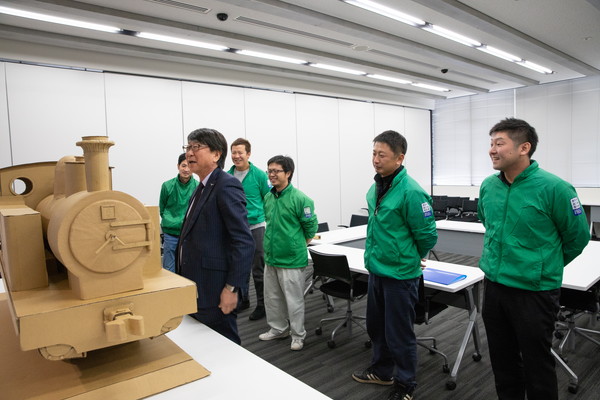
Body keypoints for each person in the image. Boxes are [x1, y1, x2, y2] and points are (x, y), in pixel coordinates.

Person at [478, 118, 589, 400]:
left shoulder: (556, 188)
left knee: (537, 365)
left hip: (534, 291)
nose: (492, 149)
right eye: (491, 143)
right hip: (494, 287)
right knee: (502, 362)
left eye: (499, 143)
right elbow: (488, 224)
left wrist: (542, 265)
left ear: (524, 147)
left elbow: (577, 238)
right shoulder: (488, 187)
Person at [352, 130, 437, 400]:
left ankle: (405, 384)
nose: (376, 160)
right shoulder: (376, 186)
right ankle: (382, 371)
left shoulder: (412, 192)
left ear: (399, 158)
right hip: (377, 268)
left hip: (400, 274)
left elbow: (427, 235)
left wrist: (413, 255)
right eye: (374, 153)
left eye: (382, 155)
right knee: (377, 327)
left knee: (399, 333)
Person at [177, 128, 255, 345]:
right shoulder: (201, 186)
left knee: (225, 344)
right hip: (198, 283)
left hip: (215, 287)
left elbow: (243, 241)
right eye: (188, 148)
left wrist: (231, 288)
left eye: (196, 147)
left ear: (216, 154)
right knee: (206, 345)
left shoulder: (226, 184)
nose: (189, 154)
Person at [258, 155, 318, 351]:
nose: (272, 175)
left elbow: (310, 227)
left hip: (291, 259)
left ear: (288, 173)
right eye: (269, 171)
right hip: (272, 257)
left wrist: (296, 244)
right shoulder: (268, 197)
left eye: (276, 171)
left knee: (294, 300)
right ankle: (278, 328)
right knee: (272, 298)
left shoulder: (301, 199)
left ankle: (298, 335)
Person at [227, 138, 270, 320]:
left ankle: (262, 305)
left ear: (248, 154)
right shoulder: (227, 175)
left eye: (240, 153)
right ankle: (243, 300)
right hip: (235, 229)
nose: (236, 156)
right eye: (234, 152)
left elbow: (269, 199)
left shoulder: (259, 175)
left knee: (258, 269)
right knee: (238, 267)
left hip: (256, 227)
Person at [159, 153, 198, 273]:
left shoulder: (198, 187)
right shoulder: (167, 186)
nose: (186, 169)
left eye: (189, 166)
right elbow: (162, 208)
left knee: (189, 267)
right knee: (169, 269)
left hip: (189, 234)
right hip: (170, 233)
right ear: (178, 166)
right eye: (183, 166)